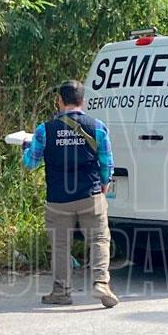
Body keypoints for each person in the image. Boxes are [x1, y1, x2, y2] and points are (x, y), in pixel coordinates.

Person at [22, 80, 119, 308]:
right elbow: (106, 161)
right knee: (99, 239)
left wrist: (26, 147)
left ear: (59, 101)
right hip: (90, 194)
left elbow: (30, 163)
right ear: (83, 101)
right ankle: (101, 283)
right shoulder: (97, 127)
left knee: (60, 245)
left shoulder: (45, 130)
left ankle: (61, 292)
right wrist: (104, 183)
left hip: (58, 199)